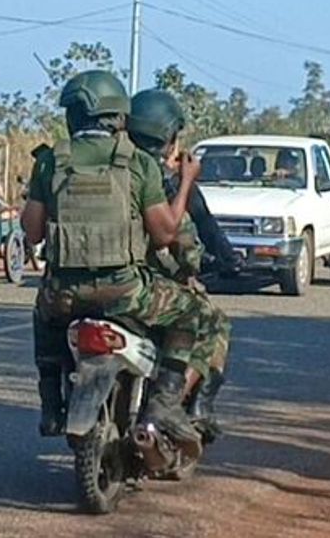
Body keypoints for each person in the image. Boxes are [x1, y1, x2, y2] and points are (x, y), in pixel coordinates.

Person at [21, 69, 210, 444]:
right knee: (192, 313)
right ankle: (164, 404)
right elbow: (165, 233)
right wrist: (187, 180)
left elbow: (32, 232)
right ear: (119, 117)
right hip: (125, 292)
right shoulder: (137, 162)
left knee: (43, 315)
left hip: (63, 293)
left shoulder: (50, 162)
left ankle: (51, 402)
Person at [128, 88, 235, 440]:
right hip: (141, 287)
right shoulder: (161, 181)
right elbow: (181, 240)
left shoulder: (104, 168)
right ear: (169, 138)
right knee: (210, 321)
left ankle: (53, 397)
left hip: (78, 287)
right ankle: (184, 406)